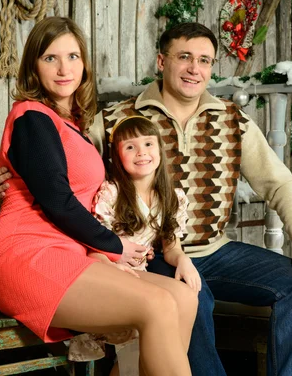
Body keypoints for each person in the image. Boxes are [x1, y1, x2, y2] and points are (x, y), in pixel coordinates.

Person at [0, 22, 292, 376]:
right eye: (184, 57)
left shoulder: (232, 120)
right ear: (162, 62)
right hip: (153, 251)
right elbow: (59, 178)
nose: (195, 68)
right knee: (189, 294)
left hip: (213, 250)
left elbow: (281, 184)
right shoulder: (116, 119)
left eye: (205, 61)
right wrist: (8, 180)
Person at [0, 16, 197, 376]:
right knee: (158, 304)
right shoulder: (32, 118)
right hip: (30, 255)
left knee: (183, 298)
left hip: (72, 252)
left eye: (73, 57)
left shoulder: (72, 123)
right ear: (33, 66)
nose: (64, 68)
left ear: (84, 64)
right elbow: (56, 201)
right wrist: (115, 245)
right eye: (50, 58)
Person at [69, 116, 202, 373]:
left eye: (149, 144)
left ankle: (167, 366)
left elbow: (172, 246)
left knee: (186, 298)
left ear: (160, 150)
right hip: (109, 271)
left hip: (139, 273)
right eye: (130, 147)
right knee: (139, 340)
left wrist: (183, 260)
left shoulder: (171, 197)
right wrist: (114, 267)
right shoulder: (112, 193)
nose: (141, 152)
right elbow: (95, 252)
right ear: (118, 156)